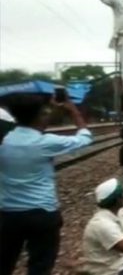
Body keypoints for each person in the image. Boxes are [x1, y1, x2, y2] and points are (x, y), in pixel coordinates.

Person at [0, 94, 93, 275]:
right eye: (46, 112)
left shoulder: (4, 141)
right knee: (40, 266)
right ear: (40, 115)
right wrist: (74, 112)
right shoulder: (45, 142)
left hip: (8, 215)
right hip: (42, 213)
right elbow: (85, 138)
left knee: (4, 263)